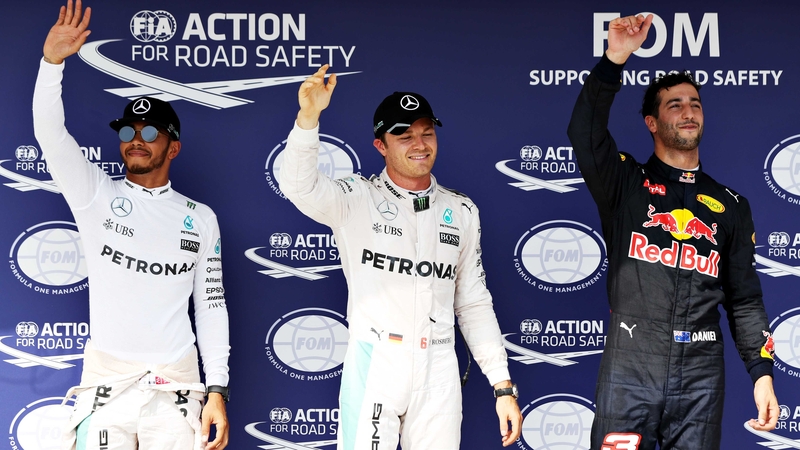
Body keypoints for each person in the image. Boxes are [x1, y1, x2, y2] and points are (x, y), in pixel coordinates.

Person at [278, 65, 522, 449]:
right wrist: (308, 119)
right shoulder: (356, 199)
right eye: (405, 136)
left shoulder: (461, 211)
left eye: (427, 133)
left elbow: (473, 303)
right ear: (381, 146)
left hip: (439, 368)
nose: (419, 144)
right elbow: (298, 186)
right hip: (375, 362)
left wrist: (502, 386)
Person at [567, 13, 778, 450]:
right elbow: (584, 133)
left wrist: (762, 375)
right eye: (675, 105)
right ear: (652, 122)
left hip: (701, 373)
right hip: (630, 367)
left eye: (695, 104)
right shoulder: (625, 183)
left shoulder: (732, 206)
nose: (688, 112)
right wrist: (614, 59)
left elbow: (744, 299)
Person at [32, 2, 230, 449]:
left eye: (150, 132)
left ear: (173, 148)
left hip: (177, 388)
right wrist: (51, 64)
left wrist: (217, 389)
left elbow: (211, 307)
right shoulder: (94, 193)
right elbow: (50, 136)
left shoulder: (200, 218)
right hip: (107, 387)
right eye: (127, 132)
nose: (136, 140)